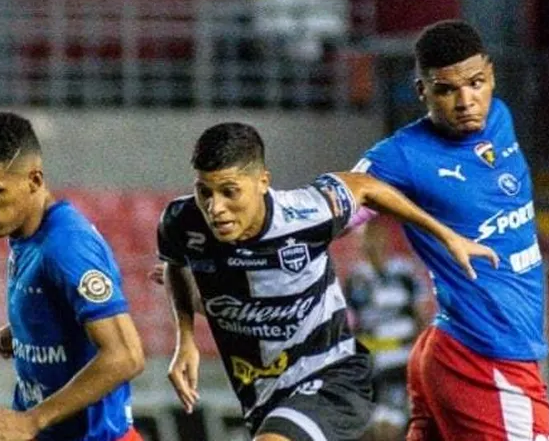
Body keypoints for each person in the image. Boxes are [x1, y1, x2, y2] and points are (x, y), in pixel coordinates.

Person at [157, 122, 498, 441]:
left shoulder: (307, 213)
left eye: (229, 192)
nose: (215, 207)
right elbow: (175, 267)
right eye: (205, 192)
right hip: (261, 394)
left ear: (263, 181)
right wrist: (184, 340)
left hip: (332, 376)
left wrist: (447, 236)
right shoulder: (180, 222)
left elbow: (366, 187)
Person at [352, 19, 549, 440]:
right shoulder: (403, 156)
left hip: (450, 342)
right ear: (422, 91)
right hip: (483, 354)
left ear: (491, 75)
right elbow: (347, 194)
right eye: (446, 90)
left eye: (476, 83)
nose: (466, 100)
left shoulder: (500, 119)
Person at [0, 112, 145, 441]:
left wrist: (31, 421)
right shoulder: (28, 236)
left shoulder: (67, 245)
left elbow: (126, 356)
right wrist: (29, 331)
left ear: (35, 180)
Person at [343, 219, 433, 441]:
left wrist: (422, 358)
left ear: (385, 240)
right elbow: (351, 325)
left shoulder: (404, 272)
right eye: (366, 239)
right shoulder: (356, 279)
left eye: (376, 237)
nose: (372, 244)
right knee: (371, 430)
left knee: (390, 429)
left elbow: (421, 316)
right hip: (374, 363)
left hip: (401, 359)